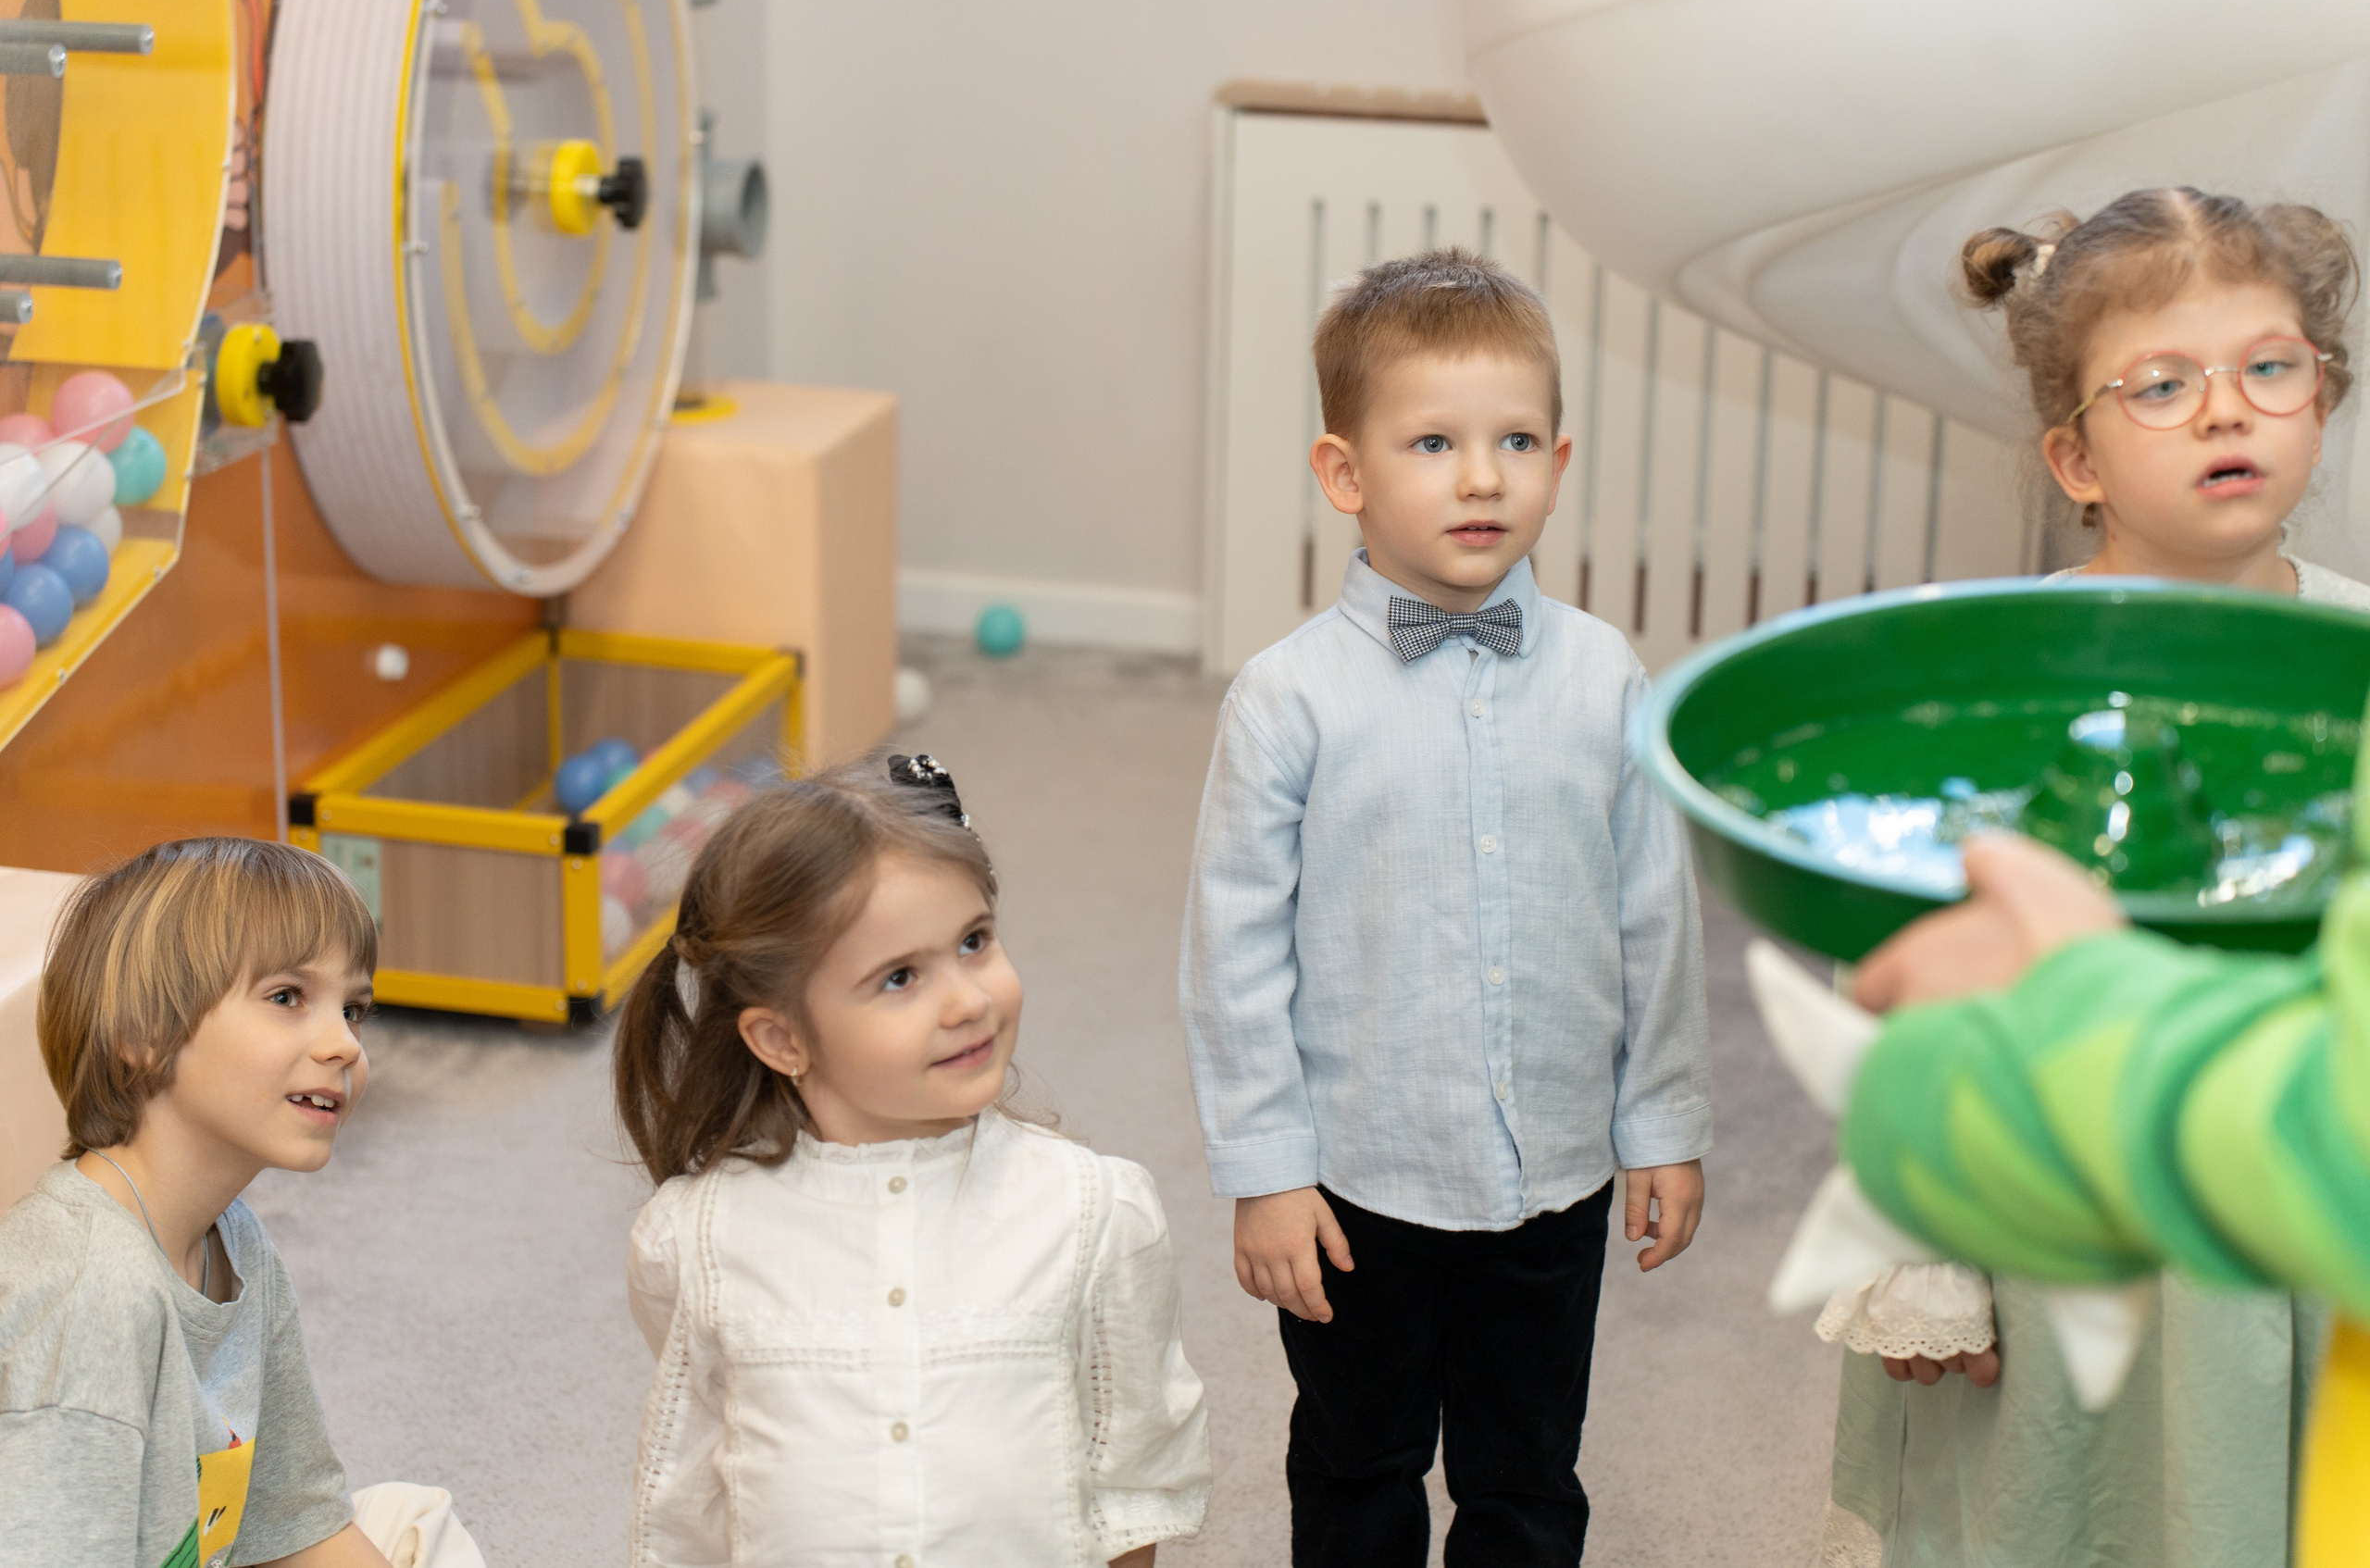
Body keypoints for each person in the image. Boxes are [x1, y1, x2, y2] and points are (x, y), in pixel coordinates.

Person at [1815, 186, 2364, 1568]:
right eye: (2164, 385)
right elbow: (1901, 966)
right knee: (2055, 1513)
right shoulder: (1998, 681)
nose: (2227, 411)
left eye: (2267, 369)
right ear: (2078, 460)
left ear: (2324, 393)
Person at [1180, 247, 1712, 1566]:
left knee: (1528, 1468)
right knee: (1357, 1457)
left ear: (1559, 460)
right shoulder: (1287, 698)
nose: (1482, 475)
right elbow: (1233, 951)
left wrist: (1664, 1119)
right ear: (1345, 474)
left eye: (1515, 439)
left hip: (1556, 1175)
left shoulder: (1604, 675)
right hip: (1361, 1183)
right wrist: (1266, 1168)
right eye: (1434, 441)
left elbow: (1657, 914)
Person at [614, 756, 1211, 1568]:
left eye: (974, 941)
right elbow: (696, 1491)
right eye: (900, 977)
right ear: (782, 1038)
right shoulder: (700, 1239)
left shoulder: (1088, 1211)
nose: (968, 999)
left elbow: (1130, 1481)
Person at [0, 837, 483, 1568]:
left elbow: (298, 1519)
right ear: (142, 1031)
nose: (344, 1044)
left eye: (353, 1009)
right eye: (288, 997)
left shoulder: (237, 1243)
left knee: (417, 1521)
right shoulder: (88, 1292)